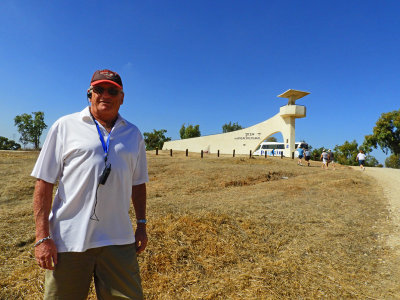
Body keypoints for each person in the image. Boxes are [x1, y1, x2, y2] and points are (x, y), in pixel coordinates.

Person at [31, 69, 149, 299]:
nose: (105, 94)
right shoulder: (65, 126)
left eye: (112, 90)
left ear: (122, 97)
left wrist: (142, 224)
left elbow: (139, 183)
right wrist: (42, 237)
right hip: (69, 242)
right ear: (89, 94)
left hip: (119, 240)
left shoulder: (133, 134)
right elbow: (44, 182)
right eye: (99, 89)